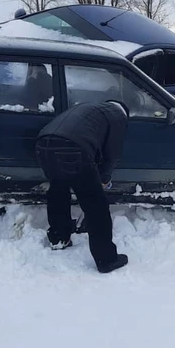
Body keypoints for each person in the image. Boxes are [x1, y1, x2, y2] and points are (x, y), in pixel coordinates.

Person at [35, 100, 129, 273]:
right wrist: (104, 179)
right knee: (95, 204)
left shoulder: (90, 108)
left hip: (43, 143)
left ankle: (58, 237)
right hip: (72, 148)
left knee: (58, 190)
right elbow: (112, 155)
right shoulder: (118, 117)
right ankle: (106, 259)